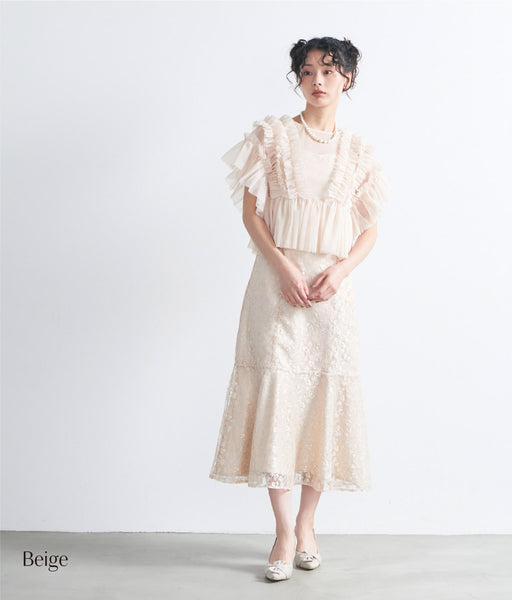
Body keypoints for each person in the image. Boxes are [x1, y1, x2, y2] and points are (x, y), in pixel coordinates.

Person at [208, 36, 391, 582]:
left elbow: (369, 229)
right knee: (278, 398)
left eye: (329, 71)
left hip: (330, 295)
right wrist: (285, 268)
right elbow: (252, 216)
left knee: (319, 402)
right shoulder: (271, 138)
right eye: (308, 71)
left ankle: (308, 525)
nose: (318, 80)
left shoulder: (358, 153)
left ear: (347, 79)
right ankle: (283, 532)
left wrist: (341, 270)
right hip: (276, 288)